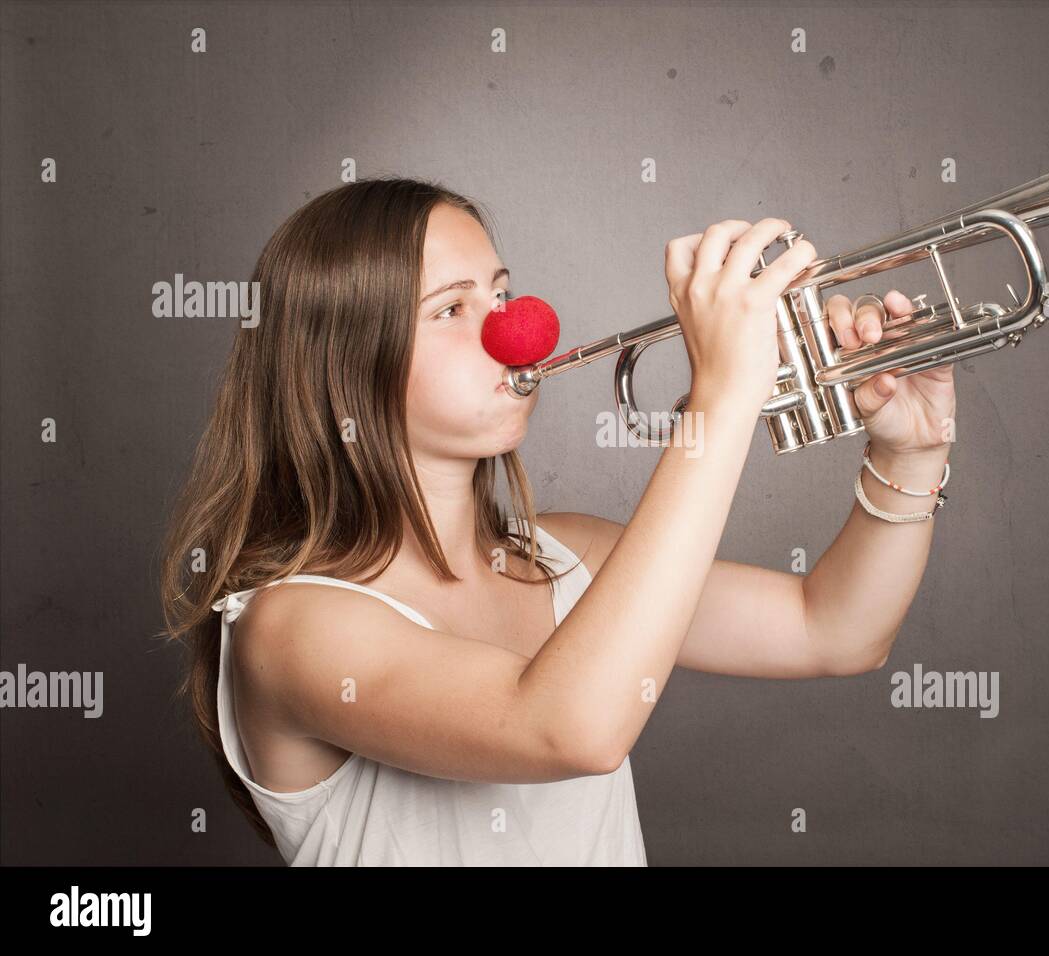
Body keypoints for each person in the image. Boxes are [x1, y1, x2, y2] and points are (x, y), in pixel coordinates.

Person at [159, 177, 955, 865]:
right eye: (451, 309)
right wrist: (721, 398)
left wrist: (911, 453)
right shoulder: (292, 627)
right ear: (343, 363)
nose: (516, 328)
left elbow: (834, 629)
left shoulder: (566, 555)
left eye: (501, 294)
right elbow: (570, 727)